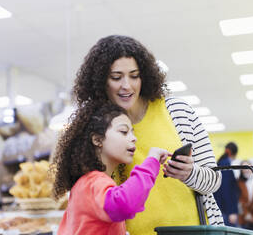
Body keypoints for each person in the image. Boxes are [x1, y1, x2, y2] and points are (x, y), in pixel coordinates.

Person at [73, 35, 223, 234]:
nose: (127, 85)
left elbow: (214, 180)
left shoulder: (178, 111)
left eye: (134, 76)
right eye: (116, 77)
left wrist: (190, 173)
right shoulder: (96, 129)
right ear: (101, 80)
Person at [52, 102, 169, 235]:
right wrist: (151, 162)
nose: (134, 138)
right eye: (124, 132)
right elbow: (124, 205)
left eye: (132, 133)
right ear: (97, 140)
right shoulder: (94, 182)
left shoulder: (84, 184)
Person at [213, 142, 239, 227]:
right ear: (234, 153)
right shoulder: (225, 165)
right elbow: (226, 190)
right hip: (225, 210)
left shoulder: (220, 163)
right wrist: (231, 211)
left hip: (220, 207)